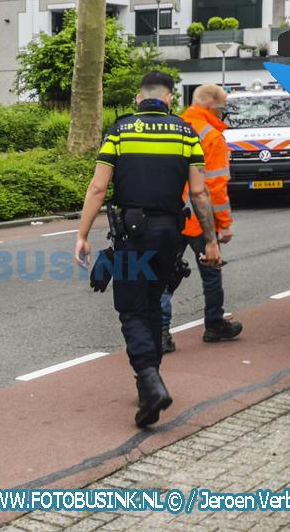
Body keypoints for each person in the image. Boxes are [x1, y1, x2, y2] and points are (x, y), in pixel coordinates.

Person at [74, 71, 222, 428]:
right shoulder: (186, 133)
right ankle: (148, 387)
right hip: (170, 233)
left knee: (131, 310)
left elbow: (98, 188)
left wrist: (82, 234)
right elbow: (199, 193)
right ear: (169, 99)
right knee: (153, 304)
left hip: (132, 235)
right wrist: (211, 240)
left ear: (139, 98)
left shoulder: (120, 132)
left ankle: (149, 379)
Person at [160, 85, 243, 352]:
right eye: (222, 107)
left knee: (164, 275)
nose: (223, 113)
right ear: (209, 105)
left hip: (169, 215)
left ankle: (160, 333)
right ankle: (214, 325)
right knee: (211, 271)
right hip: (198, 218)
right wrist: (224, 224)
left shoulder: (173, 127)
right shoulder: (212, 136)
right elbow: (215, 187)